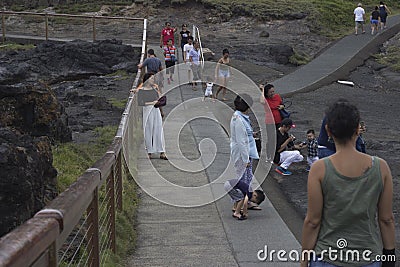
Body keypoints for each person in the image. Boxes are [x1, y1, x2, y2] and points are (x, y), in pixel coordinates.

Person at [300, 100, 396, 267]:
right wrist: (389, 257)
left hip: (327, 257)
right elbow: (386, 219)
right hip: (368, 257)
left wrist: (304, 261)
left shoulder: (319, 169)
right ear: (358, 128)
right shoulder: (380, 167)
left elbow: (313, 221)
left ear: (328, 130)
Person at [228, 94, 261, 219]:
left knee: (243, 180)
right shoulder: (240, 120)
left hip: (243, 153)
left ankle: (238, 205)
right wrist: (246, 159)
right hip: (243, 155)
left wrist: (251, 133)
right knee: (244, 183)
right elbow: (241, 142)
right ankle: (240, 208)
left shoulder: (238, 117)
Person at [136, 73, 168, 160]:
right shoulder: (141, 90)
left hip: (155, 110)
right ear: (146, 79)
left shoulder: (155, 88)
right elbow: (140, 102)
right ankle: (149, 151)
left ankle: (162, 151)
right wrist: (151, 103)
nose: (153, 80)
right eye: (151, 78)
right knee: (148, 130)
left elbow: (161, 97)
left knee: (158, 129)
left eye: (153, 78)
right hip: (147, 110)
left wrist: (158, 91)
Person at [260, 83, 285, 163]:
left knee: (279, 138)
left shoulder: (277, 97)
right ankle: (269, 156)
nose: (272, 93)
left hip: (279, 121)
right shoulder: (266, 100)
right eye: (270, 92)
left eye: (273, 91)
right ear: (266, 93)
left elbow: (282, 104)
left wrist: (282, 106)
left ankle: (277, 155)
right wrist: (262, 90)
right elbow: (261, 101)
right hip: (270, 122)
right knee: (270, 139)